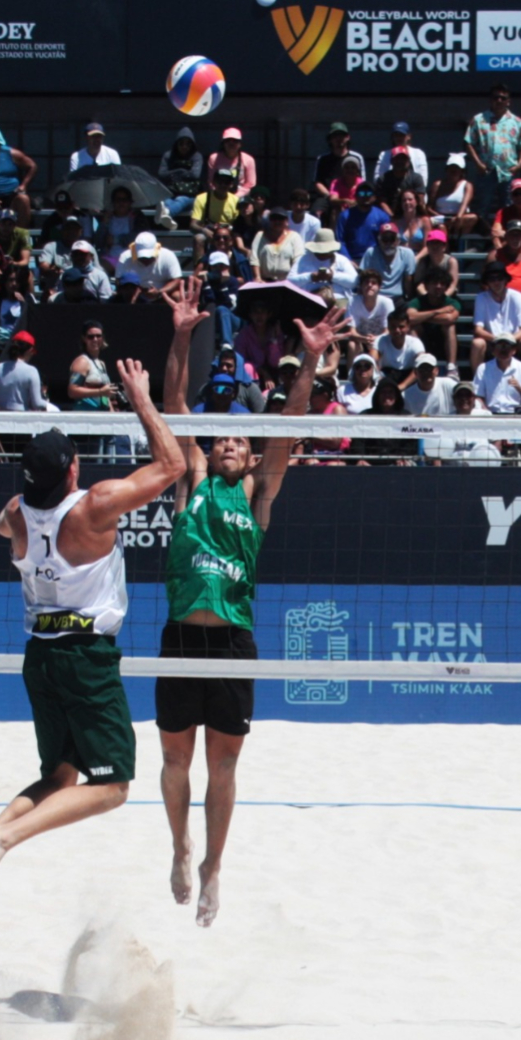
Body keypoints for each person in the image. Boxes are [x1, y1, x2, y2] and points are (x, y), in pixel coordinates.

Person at [0, 361, 187, 913]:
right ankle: (3, 839)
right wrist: (139, 396)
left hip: (40, 656)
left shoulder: (15, 513)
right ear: (73, 470)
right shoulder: (92, 507)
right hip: (85, 657)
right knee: (112, 786)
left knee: (59, 775)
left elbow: (5, 523)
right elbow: (173, 464)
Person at [156, 279, 346, 925]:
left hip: (232, 640)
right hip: (182, 636)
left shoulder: (258, 496)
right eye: (224, 441)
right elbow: (174, 406)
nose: (230, 445)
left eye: (240, 441)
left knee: (224, 761)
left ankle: (213, 864)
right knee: (176, 758)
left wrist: (312, 357)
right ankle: (180, 846)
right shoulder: (193, 484)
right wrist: (182, 333)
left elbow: (288, 429)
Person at [465, 83, 521, 220]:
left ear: (508, 101)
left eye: (503, 98)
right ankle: (481, 239)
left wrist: (519, 165)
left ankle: (506, 237)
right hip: (486, 171)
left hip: (508, 171)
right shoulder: (479, 120)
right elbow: (468, 142)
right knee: (481, 207)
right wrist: (478, 164)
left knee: (509, 207)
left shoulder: (517, 122)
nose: (499, 101)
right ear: (491, 100)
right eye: (496, 97)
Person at [472, 262, 521, 373]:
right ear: (487, 282)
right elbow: (478, 330)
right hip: (491, 341)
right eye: (492, 279)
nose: (496, 282)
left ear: (506, 280)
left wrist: (509, 340)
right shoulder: (481, 298)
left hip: (514, 341)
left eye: (500, 278)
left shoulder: (517, 296)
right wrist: (497, 340)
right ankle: (478, 385)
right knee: (477, 343)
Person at [406, 266, 462, 372]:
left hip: (443, 341)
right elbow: (410, 317)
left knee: (450, 327)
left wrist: (422, 317)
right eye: (434, 283)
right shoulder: (417, 301)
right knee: (413, 328)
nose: (438, 286)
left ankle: (451, 367)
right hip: (423, 339)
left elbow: (449, 318)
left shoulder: (452, 302)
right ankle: (418, 364)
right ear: (426, 285)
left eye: (442, 284)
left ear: (446, 287)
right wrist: (437, 311)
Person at [312, 123, 366, 220]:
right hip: (327, 196)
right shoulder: (322, 159)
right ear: (330, 139)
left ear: (348, 137)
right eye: (335, 136)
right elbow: (317, 182)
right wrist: (331, 197)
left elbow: (362, 182)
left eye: (342, 135)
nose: (339, 139)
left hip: (352, 195)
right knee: (316, 212)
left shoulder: (356, 157)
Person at [475, 332, 521, 413]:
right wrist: (485, 412)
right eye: (499, 346)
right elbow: (478, 396)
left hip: (516, 415)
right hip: (490, 414)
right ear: (493, 350)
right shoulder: (483, 368)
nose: (503, 350)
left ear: (514, 350)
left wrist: (519, 389)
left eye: (507, 346)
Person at [290, 228, 358, 301]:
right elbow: (290, 282)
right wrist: (310, 277)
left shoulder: (341, 260)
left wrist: (332, 276)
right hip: (309, 299)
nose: (322, 254)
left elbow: (354, 282)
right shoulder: (303, 259)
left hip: (337, 299)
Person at [0, 331, 46, 411]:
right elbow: (37, 403)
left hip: (0, 419)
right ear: (29, 350)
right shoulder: (32, 371)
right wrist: (47, 403)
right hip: (22, 419)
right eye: (33, 351)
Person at [117, 231, 184, 299]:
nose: (145, 260)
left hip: (162, 295)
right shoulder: (125, 257)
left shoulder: (168, 255)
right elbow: (119, 281)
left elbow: (176, 280)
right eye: (142, 257)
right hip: (135, 296)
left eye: (149, 257)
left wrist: (159, 292)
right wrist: (136, 291)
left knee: (176, 295)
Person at [360, 222, 416, 299]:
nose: (388, 243)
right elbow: (363, 276)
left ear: (398, 240)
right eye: (385, 239)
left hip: (398, 297)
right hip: (376, 297)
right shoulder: (371, 253)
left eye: (391, 239)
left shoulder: (407, 254)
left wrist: (408, 298)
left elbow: (408, 280)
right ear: (379, 241)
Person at [428, 154, 477, 240]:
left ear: (462, 171)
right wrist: (441, 217)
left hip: (459, 218)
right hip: (440, 218)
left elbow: (465, 204)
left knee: (472, 218)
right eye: (451, 169)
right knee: (440, 226)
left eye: (456, 170)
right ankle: (445, 247)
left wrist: (457, 218)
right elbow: (428, 208)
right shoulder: (437, 185)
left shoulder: (467, 185)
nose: (453, 172)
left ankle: (460, 241)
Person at [159, 127, 203, 219]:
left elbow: (195, 175)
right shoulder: (169, 155)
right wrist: (182, 172)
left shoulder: (197, 156)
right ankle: (168, 220)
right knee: (166, 202)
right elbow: (162, 173)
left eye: (188, 144)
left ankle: (167, 213)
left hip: (189, 196)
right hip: (170, 193)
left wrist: (174, 174)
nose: (184, 147)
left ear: (192, 145)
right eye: (181, 143)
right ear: (176, 144)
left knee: (181, 200)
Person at [372, 120, 429, 189]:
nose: (399, 138)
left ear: (409, 136)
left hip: (414, 195)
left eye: (402, 135)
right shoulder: (384, 155)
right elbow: (377, 178)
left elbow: (423, 181)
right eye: (396, 135)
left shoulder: (419, 154)